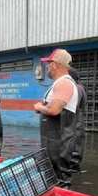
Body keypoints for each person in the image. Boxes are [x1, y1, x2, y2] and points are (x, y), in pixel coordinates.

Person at [33, 48, 82, 187]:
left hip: (58, 145)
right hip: (53, 144)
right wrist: (44, 108)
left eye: (49, 64)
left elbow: (54, 110)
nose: (47, 67)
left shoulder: (64, 83)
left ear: (55, 64)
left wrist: (39, 107)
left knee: (59, 181)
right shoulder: (59, 83)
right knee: (53, 180)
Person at [68, 68, 87, 173]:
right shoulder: (80, 87)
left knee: (75, 143)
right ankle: (74, 166)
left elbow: (73, 105)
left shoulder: (77, 88)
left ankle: (73, 167)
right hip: (78, 120)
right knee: (77, 143)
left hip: (76, 120)